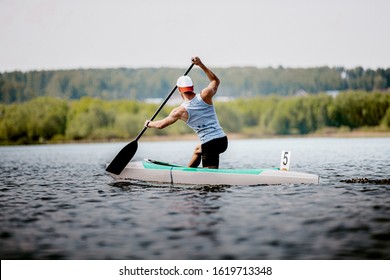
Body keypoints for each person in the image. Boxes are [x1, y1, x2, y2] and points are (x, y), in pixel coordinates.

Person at [144, 56, 228, 169]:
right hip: (222, 140)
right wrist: (200, 64)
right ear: (192, 87)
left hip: (210, 144)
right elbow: (215, 81)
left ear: (179, 90)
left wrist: (149, 124)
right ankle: (187, 171)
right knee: (198, 150)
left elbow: (160, 125)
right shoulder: (205, 95)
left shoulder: (179, 111)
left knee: (210, 181)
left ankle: (197, 177)